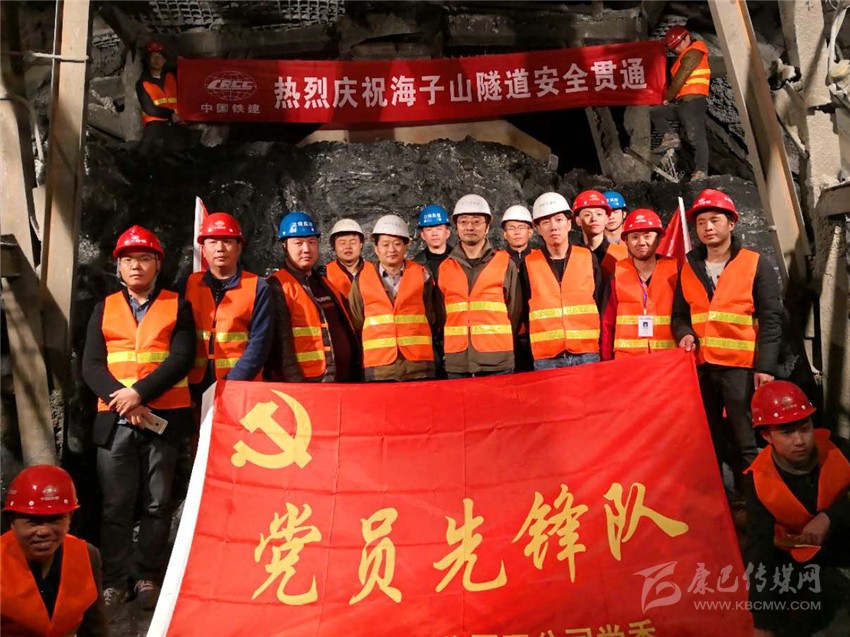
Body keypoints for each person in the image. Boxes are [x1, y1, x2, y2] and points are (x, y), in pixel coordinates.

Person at [82, 225, 195, 614]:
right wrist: (126, 402)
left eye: (144, 258)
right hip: (115, 423)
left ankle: (147, 575)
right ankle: (114, 580)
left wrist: (139, 394)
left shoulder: (178, 306)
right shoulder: (104, 307)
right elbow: (91, 365)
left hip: (162, 421)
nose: (136, 266)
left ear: (158, 264)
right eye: (128, 260)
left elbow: (181, 359)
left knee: (157, 503)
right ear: (118, 267)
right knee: (115, 506)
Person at [672, 188, 783, 494]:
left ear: (732, 223)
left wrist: (766, 367)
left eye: (715, 220)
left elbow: (772, 319)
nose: (708, 227)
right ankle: (720, 506)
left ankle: (759, 502)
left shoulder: (755, 264)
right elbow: (679, 315)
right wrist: (685, 333)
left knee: (747, 441)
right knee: (709, 440)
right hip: (702, 369)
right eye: (701, 222)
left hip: (741, 370)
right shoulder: (688, 267)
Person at [743, 381, 850, 637]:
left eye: (804, 428)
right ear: (767, 436)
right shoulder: (758, 479)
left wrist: (830, 518)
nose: (799, 440)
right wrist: (762, 623)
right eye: (786, 432)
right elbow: (760, 550)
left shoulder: (840, 450)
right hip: (796, 560)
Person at [1, 464, 107, 635]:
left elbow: (94, 627)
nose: (44, 531)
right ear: (11, 522)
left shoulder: (87, 555)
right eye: (33, 521)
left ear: (69, 519)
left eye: (55, 519)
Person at [434, 194, 522, 378]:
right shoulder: (445, 268)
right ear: (456, 228)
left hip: (497, 361)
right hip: (457, 363)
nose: (470, 227)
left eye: (476, 221)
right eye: (463, 222)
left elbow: (515, 311)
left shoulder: (505, 263)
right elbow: (441, 315)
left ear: (487, 227)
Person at [184, 212, 273, 394]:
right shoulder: (188, 284)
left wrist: (231, 383)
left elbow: (260, 343)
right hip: (194, 386)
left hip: (241, 386)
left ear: (239, 247)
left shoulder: (257, 287)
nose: (220, 248)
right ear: (203, 249)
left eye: (227, 241)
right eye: (212, 242)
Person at [267, 212, 360, 382]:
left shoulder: (325, 284)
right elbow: (280, 347)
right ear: (284, 246)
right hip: (308, 385)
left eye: (311, 242)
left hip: (342, 381)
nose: (306, 249)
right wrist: (296, 385)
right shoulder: (276, 286)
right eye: (298, 243)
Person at [349, 215, 435, 381]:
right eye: (385, 244)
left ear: (406, 246)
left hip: (418, 365)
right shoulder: (361, 279)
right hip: (379, 368)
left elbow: (432, 314)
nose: (391, 250)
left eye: (397, 244)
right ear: (376, 248)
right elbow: (357, 319)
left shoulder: (422, 275)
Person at [525, 192, 604, 370]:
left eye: (559, 220)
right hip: (546, 356)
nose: (553, 227)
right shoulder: (529, 263)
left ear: (569, 223)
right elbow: (522, 309)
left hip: (586, 352)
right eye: (546, 222)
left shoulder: (587, 257)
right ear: (538, 229)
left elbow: (600, 301)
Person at [601, 209, 678, 360]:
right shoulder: (617, 274)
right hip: (627, 363)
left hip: (667, 360)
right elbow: (607, 324)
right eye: (635, 237)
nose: (641, 242)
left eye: (647, 236)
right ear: (626, 241)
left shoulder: (675, 272)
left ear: (659, 238)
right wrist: (606, 363)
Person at [650, 25, 711, 181]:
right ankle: (670, 136)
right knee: (656, 112)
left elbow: (680, 79)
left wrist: (667, 97)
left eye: (678, 45)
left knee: (695, 136)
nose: (676, 49)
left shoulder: (694, 53)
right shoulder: (684, 54)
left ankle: (701, 171)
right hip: (683, 103)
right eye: (673, 48)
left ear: (687, 38)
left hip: (694, 101)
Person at [135, 41, 186, 156]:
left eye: (159, 56)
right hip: (155, 125)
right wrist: (171, 115)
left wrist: (184, 64)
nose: (157, 60)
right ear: (147, 60)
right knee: (145, 154)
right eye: (153, 56)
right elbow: (149, 109)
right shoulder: (142, 83)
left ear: (164, 60)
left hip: (177, 124)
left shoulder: (172, 77)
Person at [500, 205, 535, 372]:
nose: (517, 232)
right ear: (504, 234)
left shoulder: (540, 259)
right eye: (511, 228)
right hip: (506, 333)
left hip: (537, 333)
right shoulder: (496, 261)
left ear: (531, 231)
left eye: (521, 227)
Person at [573, 190, 627, 281]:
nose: (594, 219)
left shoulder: (622, 255)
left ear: (606, 218)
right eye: (587, 215)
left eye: (599, 214)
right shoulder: (570, 256)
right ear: (578, 220)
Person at [325, 218, 365, 298]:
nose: (348, 247)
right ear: (334, 246)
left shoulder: (375, 270)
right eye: (342, 243)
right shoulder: (324, 274)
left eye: (353, 242)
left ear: (361, 244)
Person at [413, 204, 453, 278]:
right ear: (422, 235)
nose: (434, 234)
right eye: (429, 230)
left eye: (439, 229)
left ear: (447, 233)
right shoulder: (415, 265)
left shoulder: (461, 261)